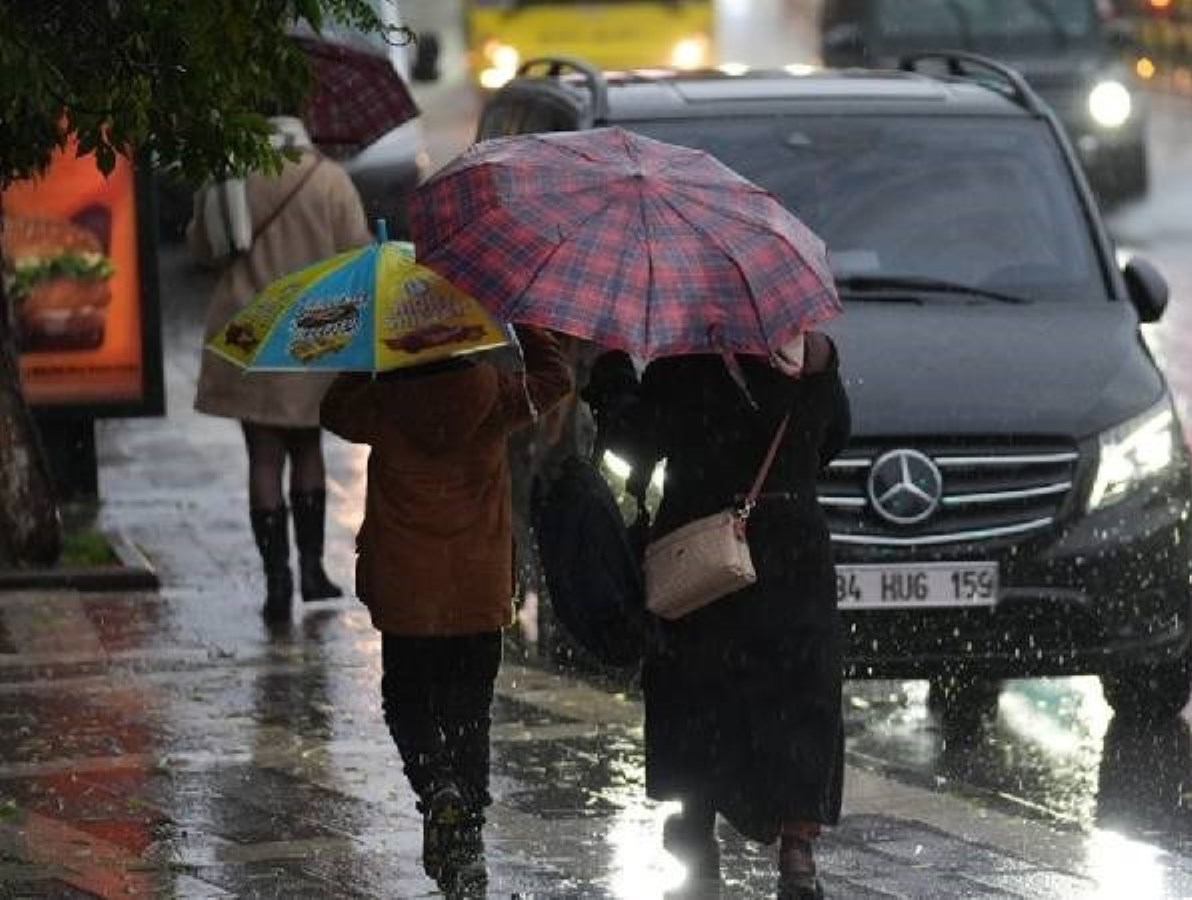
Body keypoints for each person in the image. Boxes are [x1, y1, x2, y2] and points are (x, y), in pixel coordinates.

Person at [584, 332, 851, 899]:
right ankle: (797, 851)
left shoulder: (686, 361)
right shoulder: (814, 355)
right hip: (794, 551)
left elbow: (637, 442)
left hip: (703, 547)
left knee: (699, 693)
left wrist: (612, 377)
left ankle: (697, 836)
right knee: (798, 691)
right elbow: (833, 437)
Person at [319, 329, 572, 893]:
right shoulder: (498, 395)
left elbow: (332, 410)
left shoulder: (383, 402)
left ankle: (437, 787)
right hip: (477, 589)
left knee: (407, 702)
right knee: (470, 713)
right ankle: (468, 844)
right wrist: (522, 325)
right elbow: (557, 380)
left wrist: (370, 352)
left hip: (409, 591)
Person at [190, 115, 371, 621]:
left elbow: (202, 248)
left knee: (263, 458)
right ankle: (313, 570)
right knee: (308, 446)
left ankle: (278, 582)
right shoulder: (329, 179)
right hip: (313, 332)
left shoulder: (230, 173)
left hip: (248, 331)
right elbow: (357, 253)